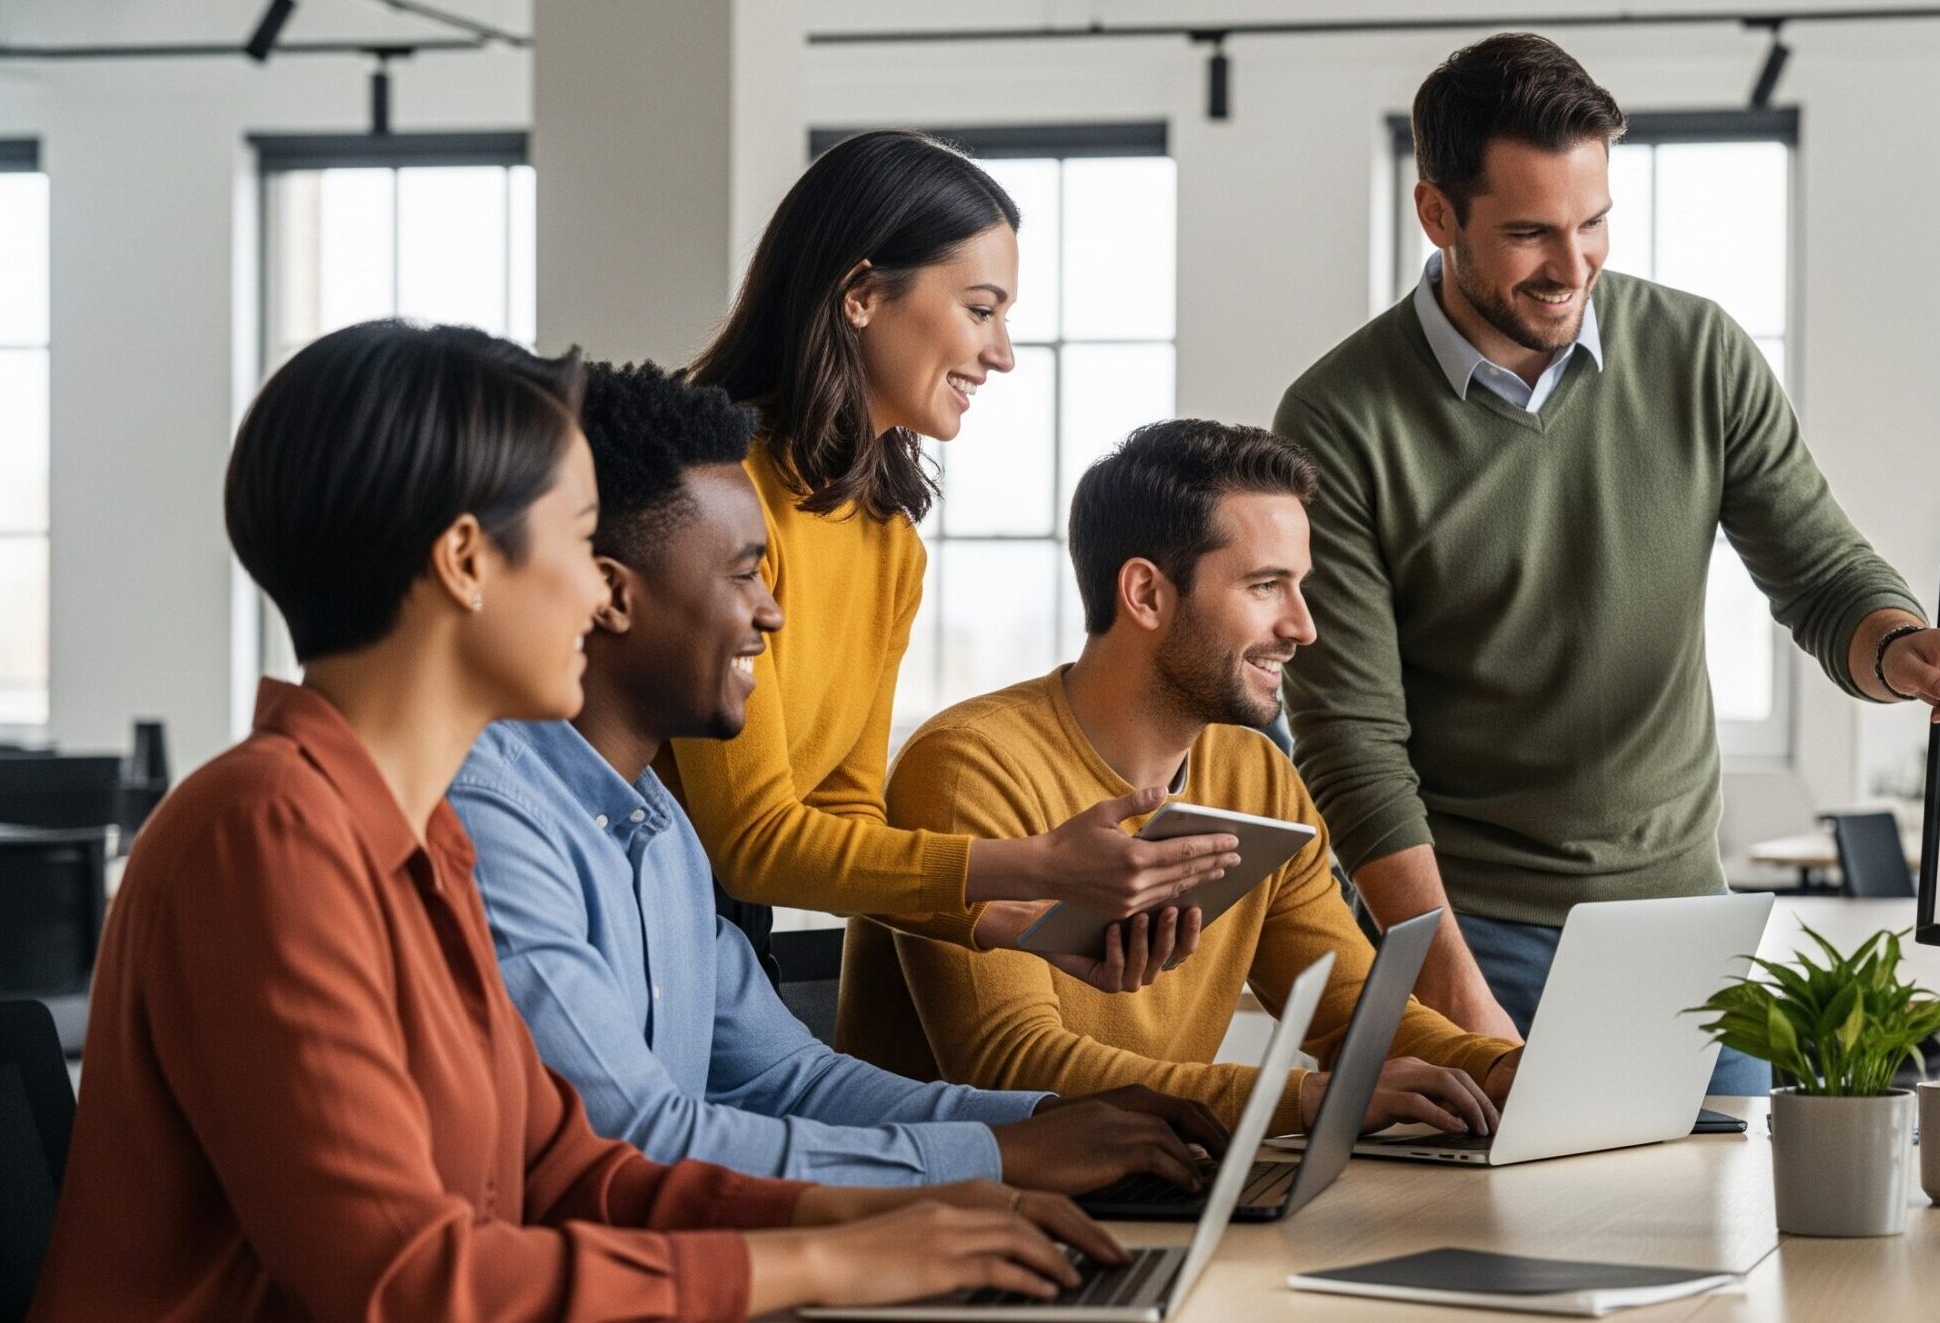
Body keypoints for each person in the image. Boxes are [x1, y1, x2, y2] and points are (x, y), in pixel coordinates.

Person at [31, 321, 1118, 1323]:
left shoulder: (419, 837)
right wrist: (832, 1263)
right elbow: (401, 1280)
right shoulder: (266, 831)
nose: (601, 598)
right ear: (465, 563)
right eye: (580, 540)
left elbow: (577, 1170)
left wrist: (887, 1217)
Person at [1272, 34, 1940, 1089]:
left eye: (1594, 225)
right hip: (1467, 926)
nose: (1573, 267)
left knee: (1735, 1241)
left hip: (1681, 931)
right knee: (1468, 1246)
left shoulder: (1697, 352)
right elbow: (1351, 739)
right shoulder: (1339, 417)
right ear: (1436, 215)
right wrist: (1447, 984)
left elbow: (1816, 572)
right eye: (1530, 233)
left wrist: (1897, 647)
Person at [454, 361, 1228, 1200]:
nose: (773, 612)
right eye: (744, 573)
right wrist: (1000, 1158)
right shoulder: (496, 823)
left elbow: (792, 1081)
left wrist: (1045, 1118)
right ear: (612, 594)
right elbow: (637, 1140)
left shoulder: (664, 832)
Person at [677, 131, 1233, 1051]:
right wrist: (1033, 861)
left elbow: (844, 813)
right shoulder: (719, 496)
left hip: (729, 957)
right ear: (860, 294)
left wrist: (1013, 919)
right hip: (629, 940)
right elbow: (755, 840)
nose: (1003, 353)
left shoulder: (888, 538)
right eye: (981, 309)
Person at [857, 419, 1524, 1136]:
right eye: (1267, 586)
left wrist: (1501, 1069)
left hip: (1157, 1186)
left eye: (1300, 587)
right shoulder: (968, 767)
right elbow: (1010, 1064)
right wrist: (1301, 1100)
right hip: (972, 1207)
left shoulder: (1256, 773)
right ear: (1145, 593)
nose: (1303, 627)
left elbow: (1351, 1009)